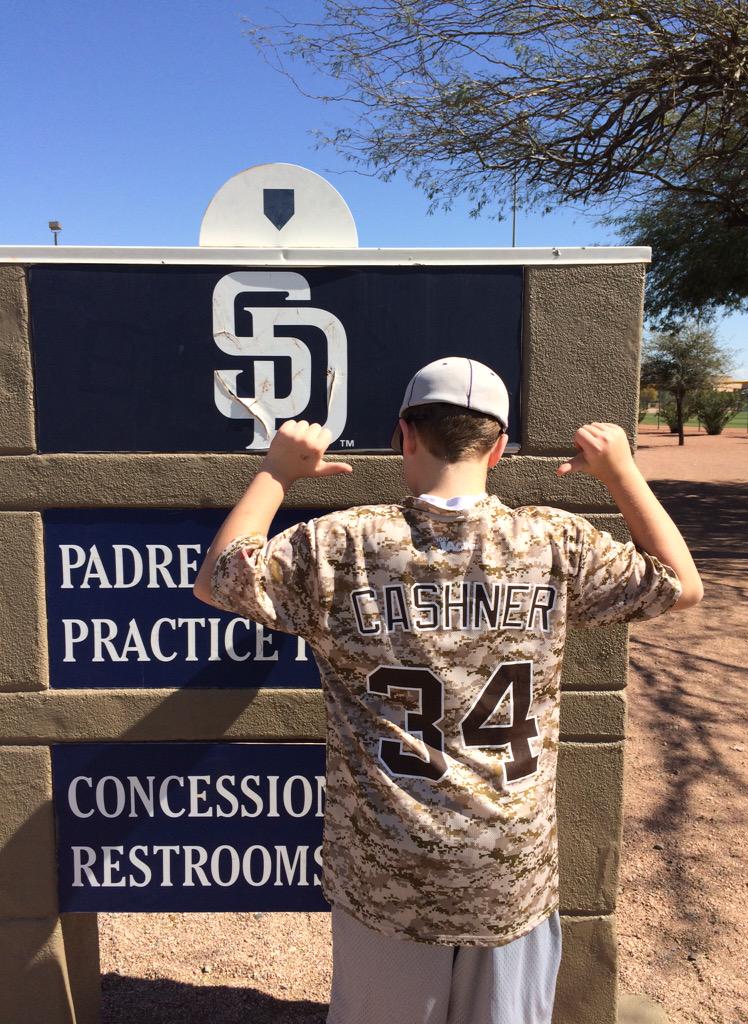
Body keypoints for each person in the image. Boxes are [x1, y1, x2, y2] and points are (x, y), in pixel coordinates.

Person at [193, 356, 704, 1024]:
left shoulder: (341, 543)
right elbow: (682, 584)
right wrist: (621, 472)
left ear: (404, 435)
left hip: (387, 875)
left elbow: (219, 580)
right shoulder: (552, 541)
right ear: (497, 448)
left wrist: (276, 471)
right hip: (509, 872)